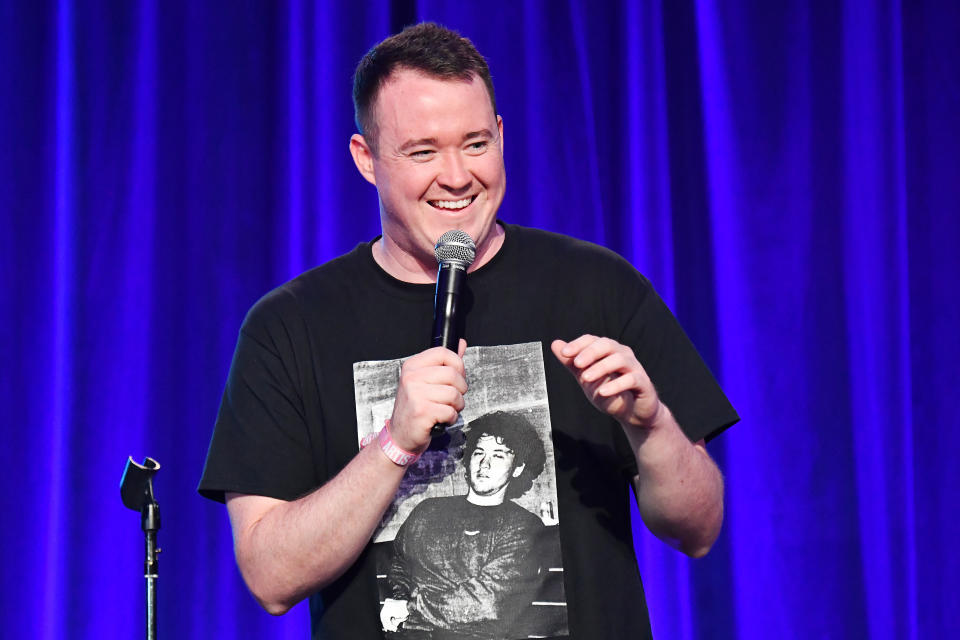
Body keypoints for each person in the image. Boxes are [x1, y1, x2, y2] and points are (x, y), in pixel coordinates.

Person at [199, 22, 738, 640]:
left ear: (502, 136)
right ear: (366, 159)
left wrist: (651, 427)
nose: (457, 177)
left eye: (476, 144)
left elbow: (698, 529)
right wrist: (394, 445)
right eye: (423, 152)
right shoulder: (289, 326)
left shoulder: (599, 288)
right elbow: (270, 577)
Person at [380, 411, 551, 639]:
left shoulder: (524, 526)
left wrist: (410, 607)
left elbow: (488, 601)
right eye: (478, 452)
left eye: (498, 455)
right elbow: (400, 561)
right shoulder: (427, 510)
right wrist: (399, 597)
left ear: (518, 468)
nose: (484, 463)